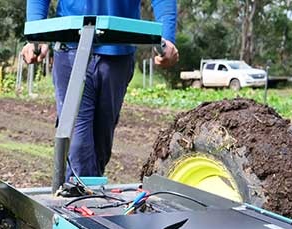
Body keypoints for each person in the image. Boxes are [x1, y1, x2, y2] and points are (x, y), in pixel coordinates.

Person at [22, 0, 178, 182]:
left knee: (101, 144)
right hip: (71, 48)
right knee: (78, 143)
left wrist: (167, 38)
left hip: (118, 55)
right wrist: (36, 33)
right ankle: (82, 199)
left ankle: (87, 195)